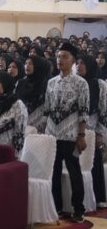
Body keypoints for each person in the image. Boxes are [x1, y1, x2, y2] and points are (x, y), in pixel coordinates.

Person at [44, 42, 89, 223]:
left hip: (71, 136)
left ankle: (78, 208)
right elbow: (47, 109)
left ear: (73, 61)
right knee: (53, 173)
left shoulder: (81, 83)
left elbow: (84, 112)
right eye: (58, 56)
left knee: (74, 173)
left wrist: (81, 135)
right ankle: (57, 207)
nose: (60, 60)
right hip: (52, 135)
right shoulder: (51, 82)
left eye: (64, 57)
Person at [76, 54, 107, 207]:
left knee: (94, 160)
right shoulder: (74, 83)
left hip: (93, 127)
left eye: (83, 63)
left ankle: (98, 196)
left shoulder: (99, 84)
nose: (79, 66)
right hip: (75, 127)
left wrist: (100, 132)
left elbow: (104, 109)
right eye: (78, 63)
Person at [15, 55, 49, 132]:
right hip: (21, 121)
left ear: (37, 66)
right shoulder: (20, 83)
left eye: (30, 63)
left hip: (39, 124)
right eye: (26, 63)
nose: (27, 66)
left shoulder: (45, 84)